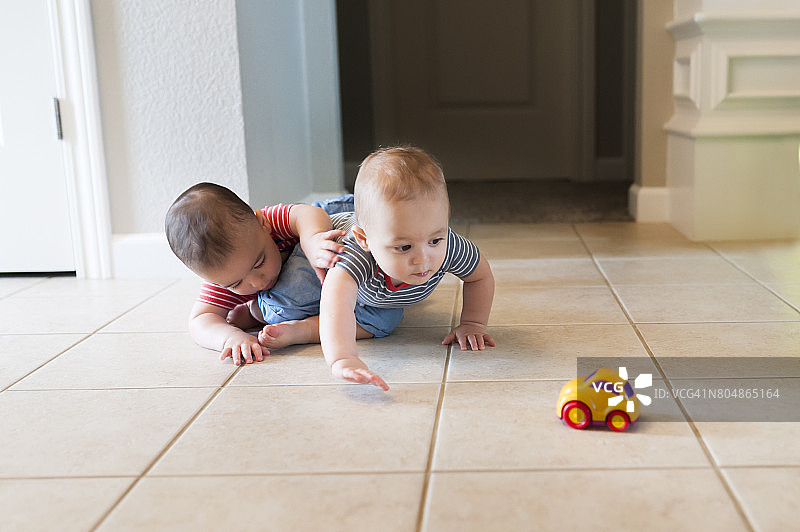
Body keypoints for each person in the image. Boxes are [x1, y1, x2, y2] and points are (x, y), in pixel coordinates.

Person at [317, 146, 496, 390]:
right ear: (365, 240)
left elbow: (480, 277)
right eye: (404, 247)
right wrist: (343, 358)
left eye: (435, 240)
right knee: (292, 300)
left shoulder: (450, 245)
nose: (422, 259)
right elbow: (335, 301)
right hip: (324, 249)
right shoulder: (355, 255)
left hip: (375, 295)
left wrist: (473, 323)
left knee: (381, 322)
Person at [165, 182, 348, 366]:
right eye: (236, 284)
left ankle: (253, 312)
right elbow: (199, 320)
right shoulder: (221, 278)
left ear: (263, 224)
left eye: (259, 263)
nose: (257, 282)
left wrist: (312, 239)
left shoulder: (271, 221)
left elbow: (307, 213)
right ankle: (255, 312)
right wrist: (230, 337)